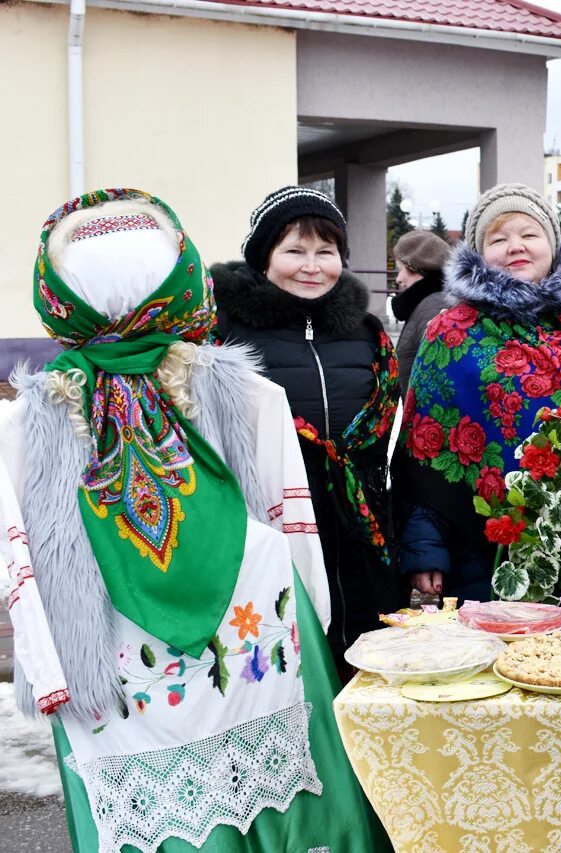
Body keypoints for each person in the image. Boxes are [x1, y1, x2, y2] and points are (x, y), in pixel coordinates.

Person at [0, 188, 390, 851]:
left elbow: (24, 556)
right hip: (249, 630)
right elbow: (290, 522)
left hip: (176, 645)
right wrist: (313, 616)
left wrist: (45, 663)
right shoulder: (240, 388)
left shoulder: (31, 417)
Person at [396, 183, 561, 602]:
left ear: (552, 243)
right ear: (478, 250)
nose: (515, 247)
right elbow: (424, 450)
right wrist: (424, 548)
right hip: (488, 546)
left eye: (528, 234)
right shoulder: (452, 332)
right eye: (498, 238)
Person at [212, 186, 400, 670]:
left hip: (359, 519)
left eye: (326, 251)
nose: (312, 266)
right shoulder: (223, 335)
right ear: (263, 258)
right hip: (271, 518)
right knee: (285, 650)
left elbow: (383, 427)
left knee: (365, 649)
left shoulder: (365, 332)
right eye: (294, 250)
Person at [390, 229, 451, 394]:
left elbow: (438, 383)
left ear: (415, 269)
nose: (398, 279)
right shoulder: (428, 304)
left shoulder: (434, 307)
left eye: (400, 269)